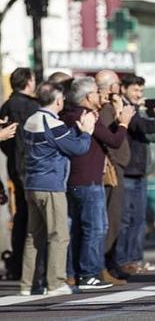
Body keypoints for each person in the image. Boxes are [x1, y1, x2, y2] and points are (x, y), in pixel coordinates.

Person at [20, 82, 96, 296]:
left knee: (33, 236)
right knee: (59, 235)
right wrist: (87, 131)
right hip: (51, 186)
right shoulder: (52, 124)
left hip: (32, 184)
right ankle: (55, 283)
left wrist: (76, 132)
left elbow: (59, 142)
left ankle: (28, 284)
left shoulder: (30, 121)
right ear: (58, 101)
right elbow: (78, 148)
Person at [60, 77, 135, 290]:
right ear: (87, 97)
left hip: (73, 179)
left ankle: (74, 272)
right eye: (96, 92)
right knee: (95, 228)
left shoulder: (67, 115)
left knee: (78, 228)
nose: (100, 96)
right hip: (88, 179)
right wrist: (124, 122)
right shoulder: (87, 115)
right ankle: (89, 273)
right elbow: (114, 140)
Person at [114, 74, 155, 277]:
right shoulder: (125, 109)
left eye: (141, 91)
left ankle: (134, 259)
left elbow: (153, 133)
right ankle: (123, 260)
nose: (139, 95)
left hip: (139, 171)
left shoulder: (136, 109)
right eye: (135, 90)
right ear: (124, 89)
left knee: (138, 219)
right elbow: (145, 127)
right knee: (126, 219)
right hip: (128, 171)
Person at [0, 67, 39, 280]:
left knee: (20, 215)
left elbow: (5, 142)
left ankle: (16, 264)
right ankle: (29, 266)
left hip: (15, 166)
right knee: (32, 216)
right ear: (29, 82)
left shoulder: (6, 105)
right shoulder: (31, 107)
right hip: (30, 167)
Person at [95, 69, 133, 285]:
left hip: (118, 166)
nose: (120, 86)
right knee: (111, 217)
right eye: (117, 83)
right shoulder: (105, 110)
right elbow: (112, 139)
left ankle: (111, 262)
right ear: (111, 87)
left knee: (116, 217)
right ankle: (103, 264)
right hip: (112, 169)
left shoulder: (111, 107)